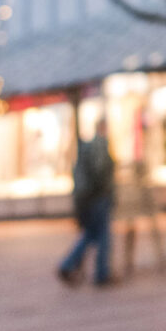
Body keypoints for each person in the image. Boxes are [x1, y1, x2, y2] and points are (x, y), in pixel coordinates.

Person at [58, 122, 115, 287]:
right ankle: (101, 273)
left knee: (90, 234)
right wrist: (105, 190)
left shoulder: (86, 147)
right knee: (103, 235)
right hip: (97, 197)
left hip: (87, 198)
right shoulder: (100, 145)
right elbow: (100, 171)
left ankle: (68, 264)